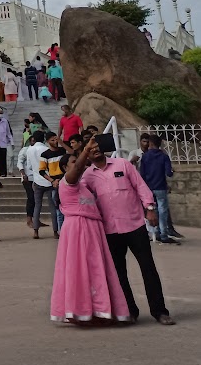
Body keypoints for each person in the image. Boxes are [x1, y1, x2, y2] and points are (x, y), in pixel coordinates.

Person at [81, 141, 175, 325]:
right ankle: (130, 311)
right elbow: (79, 195)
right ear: (87, 155)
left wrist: (149, 208)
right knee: (118, 274)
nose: (95, 151)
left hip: (134, 225)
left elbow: (140, 186)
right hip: (110, 230)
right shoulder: (87, 176)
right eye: (90, 150)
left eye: (97, 147)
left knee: (148, 269)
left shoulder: (122, 164)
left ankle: (160, 311)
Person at [50, 138, 134, 324]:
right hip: (78, 229)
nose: (79, 165)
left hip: (92, 229)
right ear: (65, 168)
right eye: (72, 163)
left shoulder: (83, 186)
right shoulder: (67, 183)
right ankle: (79, 310)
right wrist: (85, 150)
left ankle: (98, 309)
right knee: (79, 270)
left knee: (95, 270)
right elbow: (78, 170)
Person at [135, 135, 180, 245]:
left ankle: (155, 232)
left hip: (149, 187)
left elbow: (142, 174)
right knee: (163, 210)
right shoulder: (164, 156)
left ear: (150, 143)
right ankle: (163, 234)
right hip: (160, 186)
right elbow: (169, 173)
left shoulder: (145, 156)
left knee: (152, 210)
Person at [20, 131, 52, 238]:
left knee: (37, 205)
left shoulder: (29, 150)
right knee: (52, 205)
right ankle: (56, 230)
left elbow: (28, 166)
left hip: (36, 179)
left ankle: (36, 230)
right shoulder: (46, 149)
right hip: (48, 179)